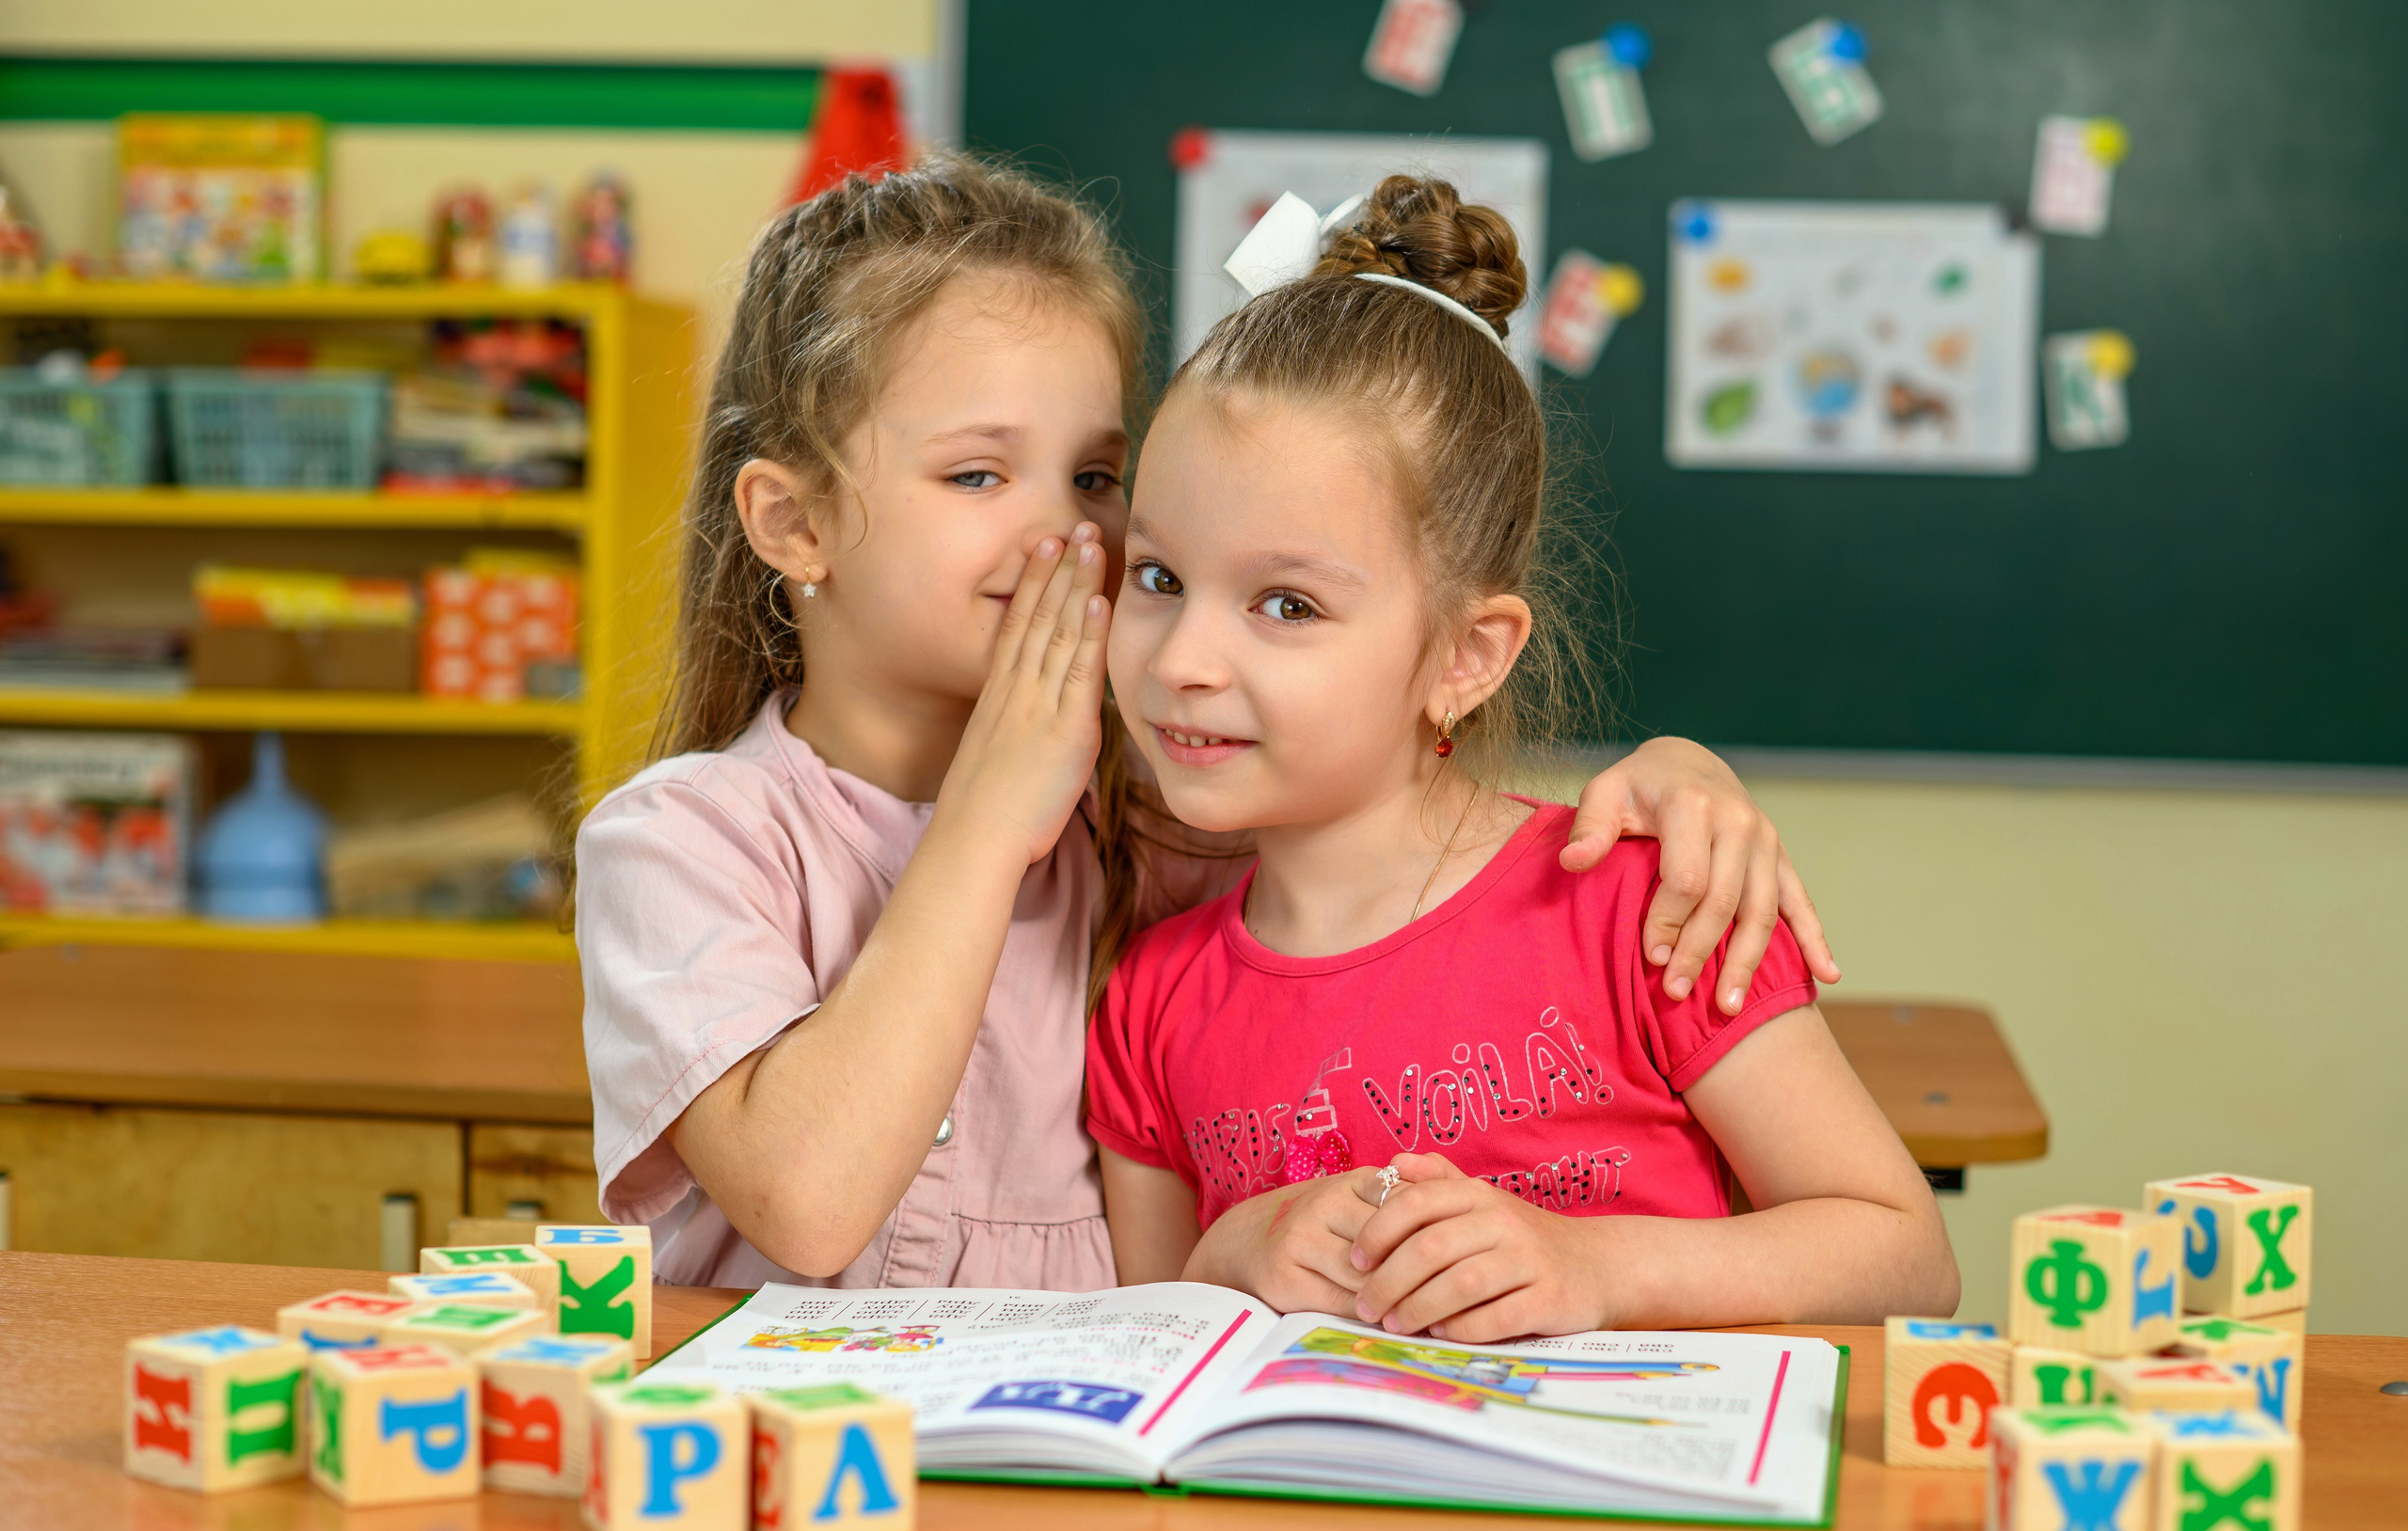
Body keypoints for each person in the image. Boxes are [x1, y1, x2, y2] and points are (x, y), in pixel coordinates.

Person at [576, 154, 1838, 1293]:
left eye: (1095, 476)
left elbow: (1399, 795)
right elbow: (808, 1202)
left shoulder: (1175, 814)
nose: (1066, 533)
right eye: (977, 472)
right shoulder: (680, 842)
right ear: (793, 523)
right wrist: (987, 818)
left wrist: (1682, 769)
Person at [1088, 176, 1956, 1336]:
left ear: (1465, 655)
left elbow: (1905, 1252)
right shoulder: (1149, 1000)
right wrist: (1226, 1252)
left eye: (1286, 603)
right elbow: (1146, 1346)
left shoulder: (1642, 907)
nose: (1182, 659)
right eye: (1156, 577)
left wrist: (1593, 1265)